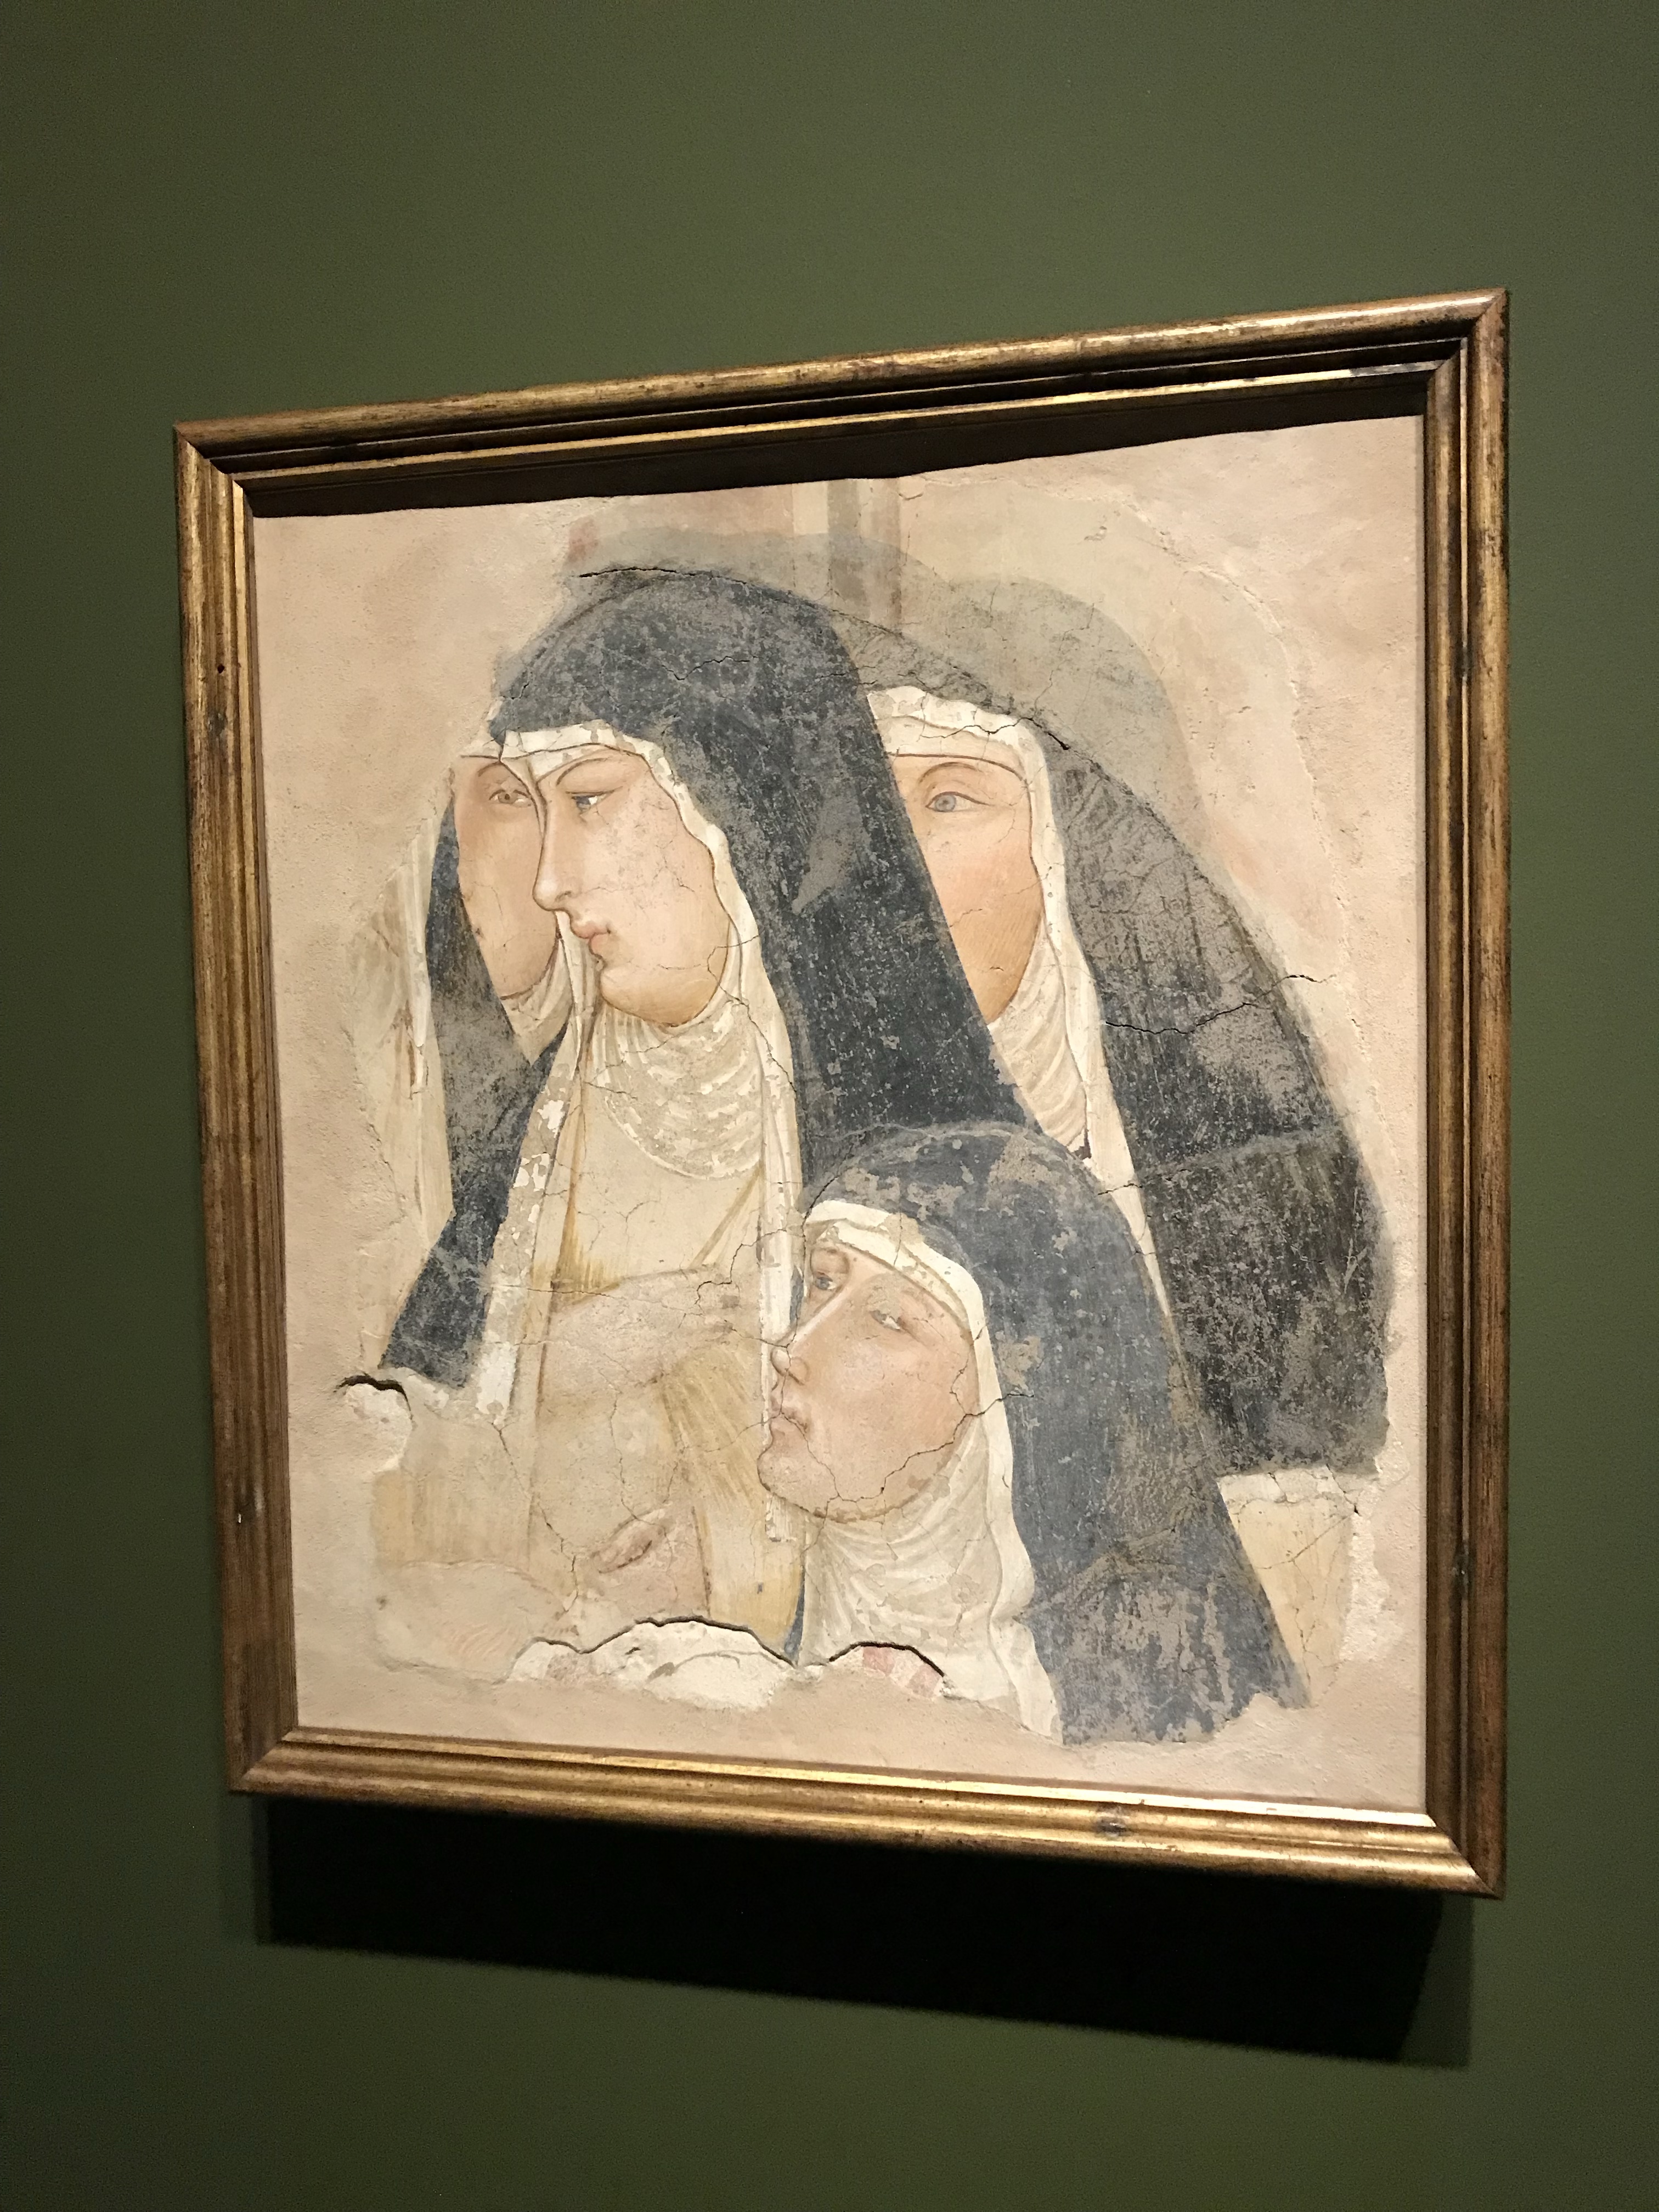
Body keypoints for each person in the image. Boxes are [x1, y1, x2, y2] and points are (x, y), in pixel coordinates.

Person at [370, 571, 1026, 1656]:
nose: (549, 882)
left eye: (590, 801)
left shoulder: (915, 1136)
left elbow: (963, 1546)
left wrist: (721, 1569)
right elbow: (387, 1492)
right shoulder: (542, 1128)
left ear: (736, 809)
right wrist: (561, 1362)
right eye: (537, 810)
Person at [855, 673, 1388, 1482]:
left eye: (949, 801)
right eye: (871, 802)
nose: (890, 855)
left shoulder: (1246, 1178)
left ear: (1068, 846)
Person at [759, 1122, 1303, 1742]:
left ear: (1008, 1395)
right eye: (822, 1282)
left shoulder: (1142, 1712)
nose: (791, 1348)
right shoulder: (737, 1655)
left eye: (888, 1318)